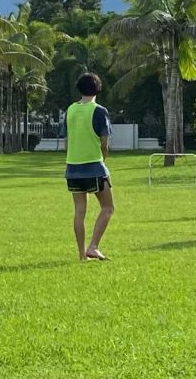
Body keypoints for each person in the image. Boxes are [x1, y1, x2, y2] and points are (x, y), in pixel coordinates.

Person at [65, 72, 114, 261]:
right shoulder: (99, 110)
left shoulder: (70, 110)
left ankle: (81, 254)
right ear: (98, 88)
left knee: (79, 211)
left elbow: (67, 141)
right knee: (108, 207)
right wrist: (104, 159)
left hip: (72, 167)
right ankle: (93, 246)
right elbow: (104, 143)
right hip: (93, 166)